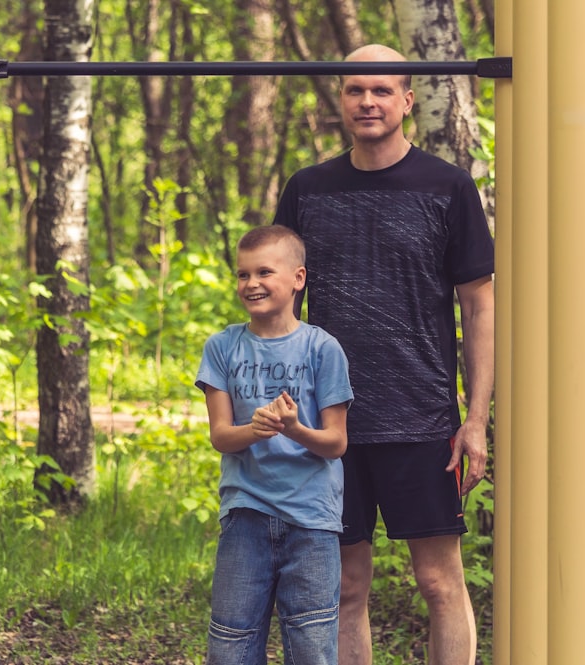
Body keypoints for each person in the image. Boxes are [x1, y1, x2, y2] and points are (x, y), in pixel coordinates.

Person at [273, 44, 495, 665]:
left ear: (406, 101)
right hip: (328, 424)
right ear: (341, 100)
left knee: (439, 582)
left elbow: (480, 306)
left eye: (380, 90)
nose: (366, 101)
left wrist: (474, 419)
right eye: (353, 90)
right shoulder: (307, 189)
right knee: (345, 587)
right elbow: (277, 303)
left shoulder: (447, 187)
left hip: (423, 419)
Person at [195, 224, 355, 665]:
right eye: (243, 275)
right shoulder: (222, 347)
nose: (252, 284)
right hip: (245, 514)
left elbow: (336, 442)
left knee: (311, 647)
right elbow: (221, 436)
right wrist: (258, 428)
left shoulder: (323, 349)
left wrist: (293, 429)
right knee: (231, 644)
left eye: (264, 272)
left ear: (298, 278)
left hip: (313, 522)